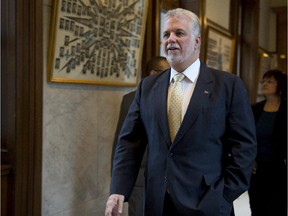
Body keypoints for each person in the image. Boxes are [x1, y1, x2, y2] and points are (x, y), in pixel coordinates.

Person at [105, 8, 257, 216]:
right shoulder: (147, 87)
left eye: (179, 33)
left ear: (197, 41)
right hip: (157, 203)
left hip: (208, 203)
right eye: (166, 34)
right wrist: (118, 190)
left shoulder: (228, 86)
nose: (171, 39)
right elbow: (130, 143)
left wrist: (223, 195)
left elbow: (244, 147)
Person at [111, 56, 170, 216]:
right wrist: (117, 184)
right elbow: (121, 140)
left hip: (169, 176)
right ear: (153, 73)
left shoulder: (174, 97)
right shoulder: (130, 99)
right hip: (140, 177)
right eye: (167, 71)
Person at [248, 70, 287, 216]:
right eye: (263, 81)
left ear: (280, 85)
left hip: (280, 169)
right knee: (257, 207)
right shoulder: (255, 109)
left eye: (270, 81)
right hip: (256, 168)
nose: (265, 84)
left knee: (276, 208)